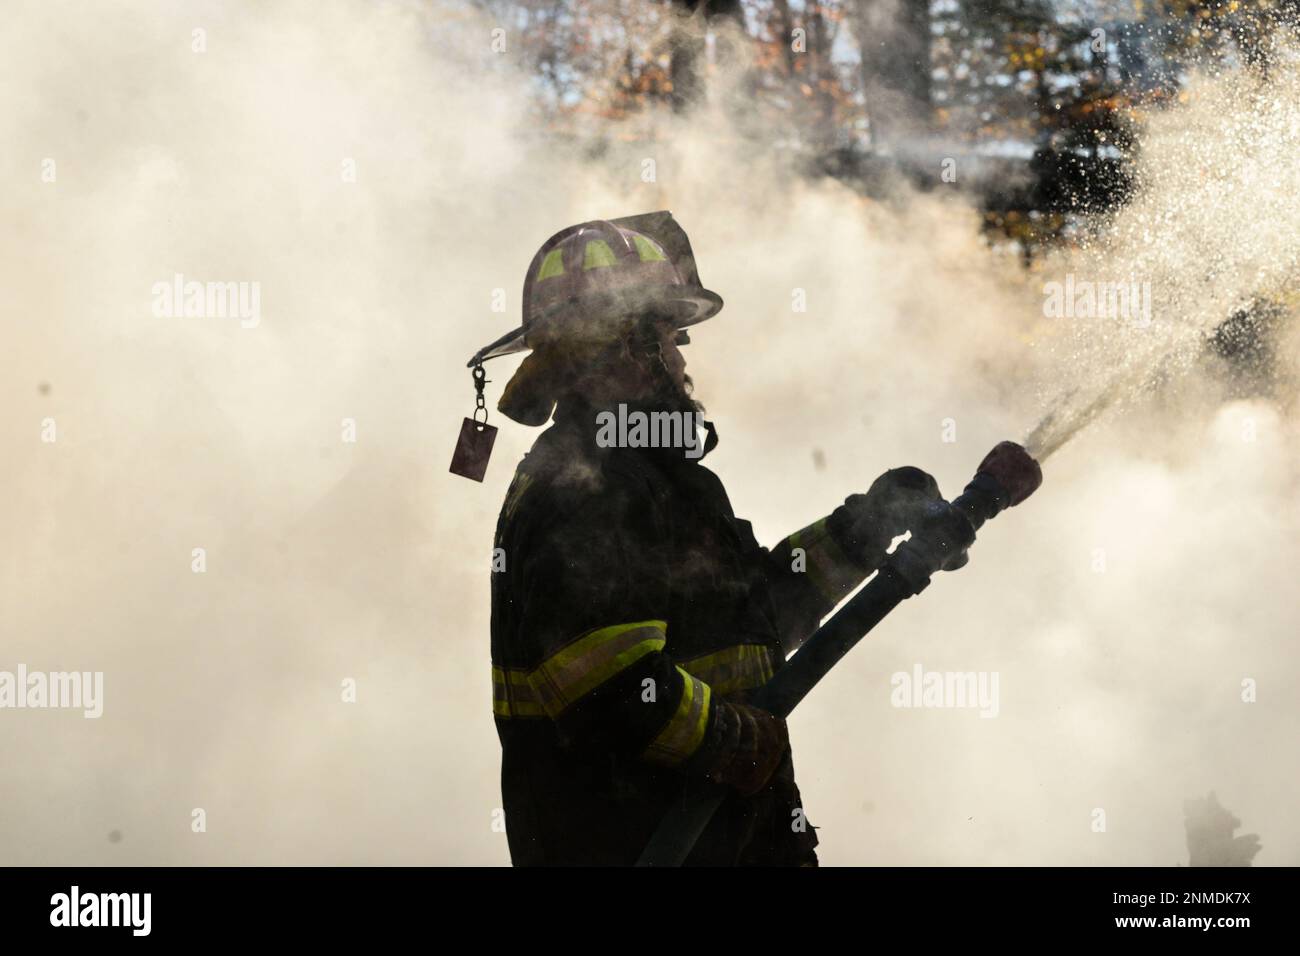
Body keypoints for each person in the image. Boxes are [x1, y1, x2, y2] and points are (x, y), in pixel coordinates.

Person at [471, 212, 1041, 865]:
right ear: (619, 349)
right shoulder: (581, 488)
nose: (679, 357)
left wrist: (867, 526)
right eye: (669, 335)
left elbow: (755, 621)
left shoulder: (660, 482)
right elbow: (607, 688)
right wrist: (732, 738)